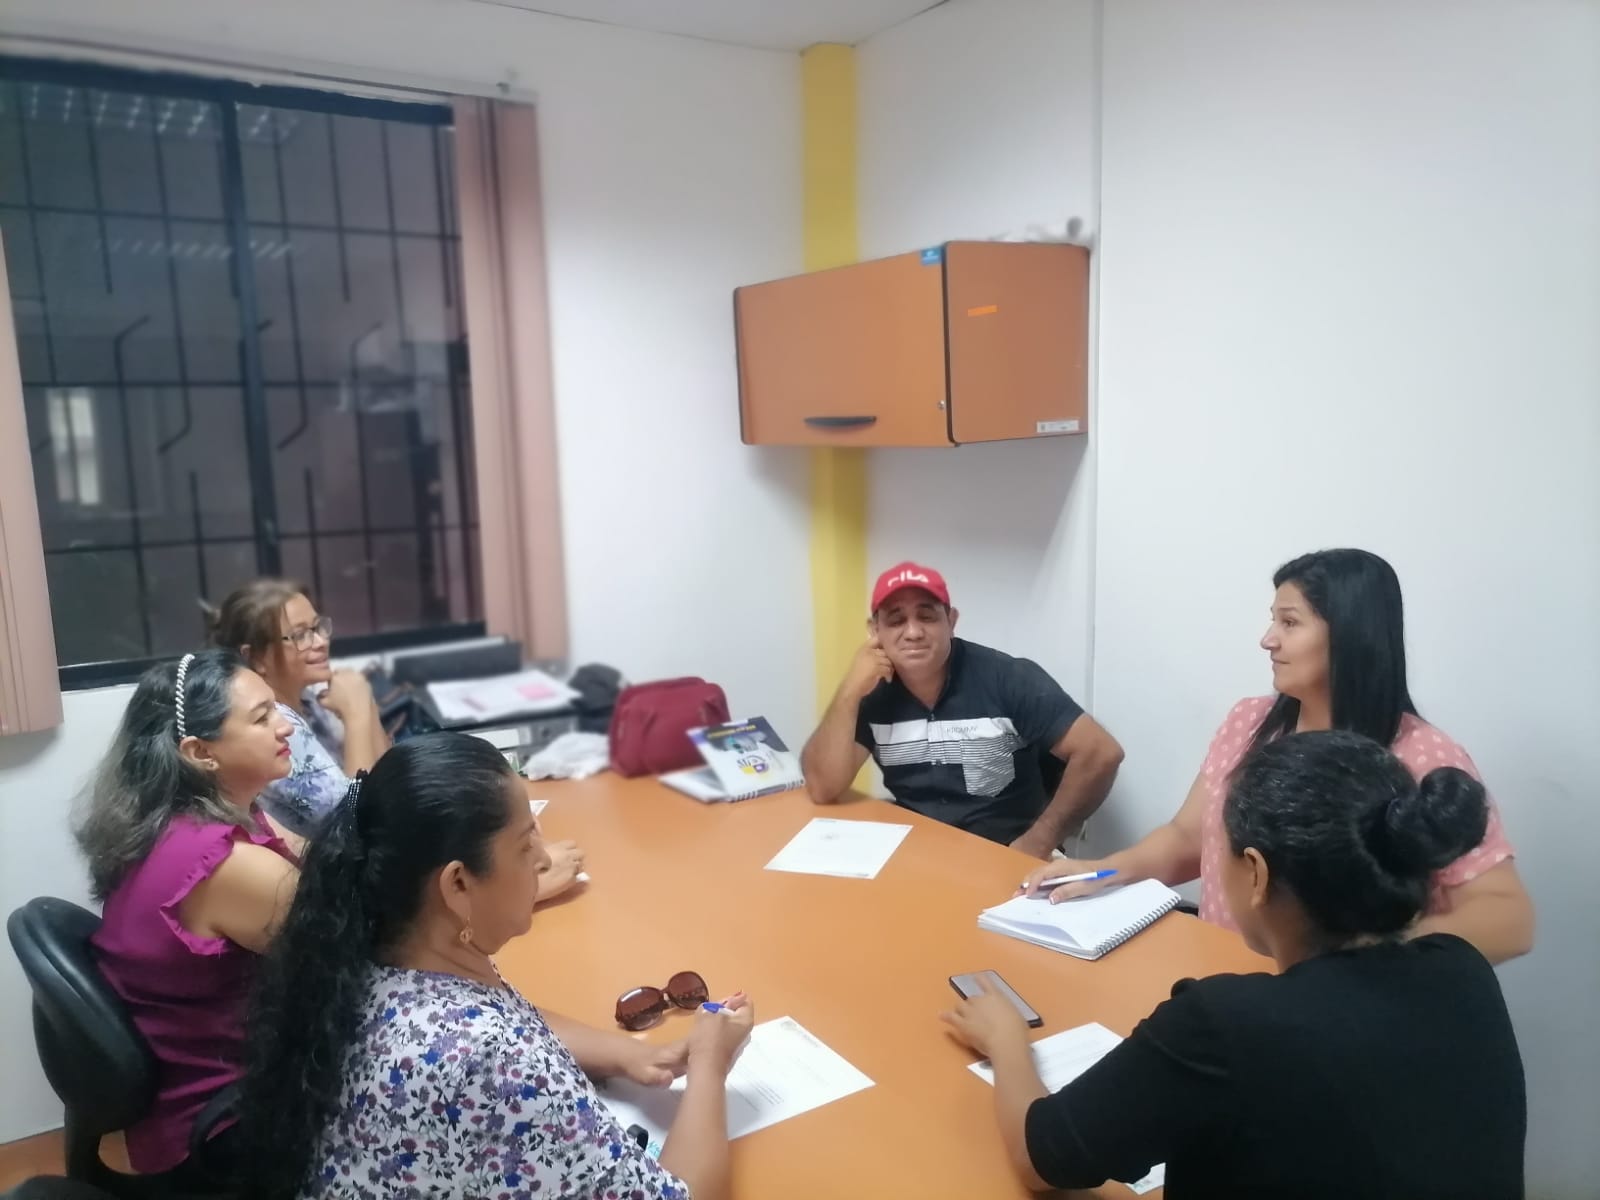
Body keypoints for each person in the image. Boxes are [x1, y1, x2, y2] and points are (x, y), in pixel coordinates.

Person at [947, 730, 1527, 1198]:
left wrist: (1007, 1042)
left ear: (1257, 873)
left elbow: (1042, 1157)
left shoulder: (1224, 1024)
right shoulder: (1464, 972)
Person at [238, 734, 753, 1200]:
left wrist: (630, 1054)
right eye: (525, 844)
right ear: (458, 884)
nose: (543, 860)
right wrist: (709, 1064)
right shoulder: (490, 1060)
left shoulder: (373, 952)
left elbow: (508, 1019)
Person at [1023, 548, 1534, 965]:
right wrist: (1102, 873)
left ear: (1350, 636)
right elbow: (1188, 838)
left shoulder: (1423, 755)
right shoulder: (1250, 722)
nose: (1268, 640)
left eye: (1290, 623)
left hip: (1338, 1008)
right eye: (1273, 621)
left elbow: (1508, 919)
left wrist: (1363, 959)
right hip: (1227, 980)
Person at [208, 578, 586, 900]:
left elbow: (390, 778)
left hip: (376, 865)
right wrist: (357, 713)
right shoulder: (277, 728)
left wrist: (366, 707)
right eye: (300, 635)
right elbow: (363, 821)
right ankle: (512, 894)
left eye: (318, 627)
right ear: (255, 656)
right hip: (345, 888)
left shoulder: (308, 701)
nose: (320, 641)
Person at [74, 649, 301, 1181]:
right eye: (262, 717)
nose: (286, 726)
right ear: (201, 752)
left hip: (178, 1109)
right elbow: (357, 953)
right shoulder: (225, 865)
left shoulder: (170, 823)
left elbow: (307, 861)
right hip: (223, 1129)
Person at [802, 562, 1124, 857]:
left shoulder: (1008, 678)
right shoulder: (872, 689)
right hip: (920, 854)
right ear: (875, 631)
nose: (913, 632)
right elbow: (822, 786)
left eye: (927, 616)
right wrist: (848, 691)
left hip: (1007, 853)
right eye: (896, 620)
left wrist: (1037, 842)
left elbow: (1101, 752)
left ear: (951, 621)